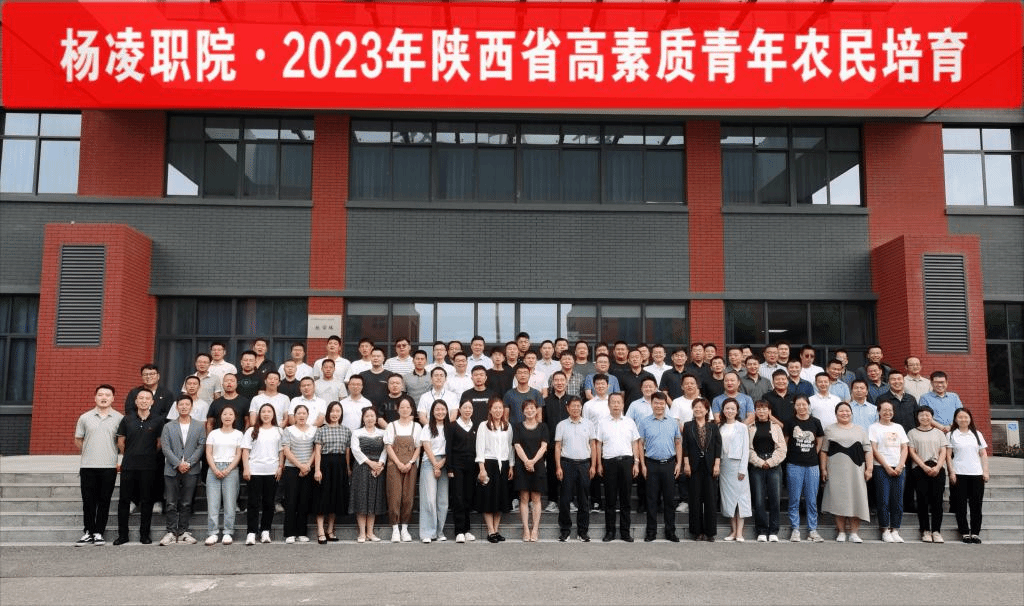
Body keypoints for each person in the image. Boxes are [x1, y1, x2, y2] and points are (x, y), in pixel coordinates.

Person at [820, 402, 872, 543]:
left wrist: (869, 469)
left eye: (847, 411)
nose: (844, 413)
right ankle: (841, 532)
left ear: (851, 413)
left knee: (856, 499)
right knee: (838, 500)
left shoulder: (860, 430)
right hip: (835, 470)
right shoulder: (829, 429)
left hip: (856, 470)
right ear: (836, 414)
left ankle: (854, 533)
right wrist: (823, 469)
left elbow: (868, 450)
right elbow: (824, 451)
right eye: (841, 411)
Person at [114, 389, 161, 546]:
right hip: (129, 465)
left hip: (149, 466)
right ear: (136, 401)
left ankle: (144, 534)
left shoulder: (158, 420)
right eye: (141, 398)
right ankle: (123, 535)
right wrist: (130, 454)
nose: (144, 401)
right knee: (124, 501)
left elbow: (159, 443)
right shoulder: (127, 419)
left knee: (147, 501)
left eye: (147, 398)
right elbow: (121, 442)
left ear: (152, 402)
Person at [159, 395, 206, 546]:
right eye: (181, 404)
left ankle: (183, 531)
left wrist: (189, 463)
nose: (184, 407)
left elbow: (201, 446)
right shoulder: (168, 426)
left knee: (186, 503)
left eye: (187, 404)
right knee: (171, 503)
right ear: (176, 407)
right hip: (172, 469)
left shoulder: (199, 426)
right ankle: (171, 532)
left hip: (191, 470)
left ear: (191, 407)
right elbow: (165, 447)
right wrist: (178, 463)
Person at [637, 392, 682, 542]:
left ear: (665, 405)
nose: (659, 406)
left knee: (669, 500)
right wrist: (642, 464)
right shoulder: (644, 422)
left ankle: (671, 532)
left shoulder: (673, 422)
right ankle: (651, 532)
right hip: (651, 464)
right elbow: (640, 444)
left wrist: (679, 463)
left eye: (662, 403)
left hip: (669, 464)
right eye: (656, 403)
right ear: (652, 404)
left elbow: (678, 443)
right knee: (651, 500)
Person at [596, 392, 640, 542]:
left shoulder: (630, 422)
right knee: (610, 499)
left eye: (618, 402)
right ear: (608, 405)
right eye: (613, 402)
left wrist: (636, 463)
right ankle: (610, 532)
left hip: (627, 462)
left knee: (625, 499)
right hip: (609, 463)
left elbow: (635, 443)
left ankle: (625, 532)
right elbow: (598, 444)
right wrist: (599, 464)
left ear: (623, 405)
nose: (616, 405)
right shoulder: (602, 422)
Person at [554, 396, 596, 542]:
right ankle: (565, 530)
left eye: (578, 406)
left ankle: (582, 531)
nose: (576, 408)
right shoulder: (561, 425)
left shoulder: (589, 424)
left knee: (584, 500)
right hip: (567, 464)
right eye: (573, 406)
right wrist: (558, 467)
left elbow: (593, 445)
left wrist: (593, 465)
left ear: (581, 407)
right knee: (565, 499)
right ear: (567, 408)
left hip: (584, 465)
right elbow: (558, 447)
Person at [242, 403, 284, 545]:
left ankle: (265, 530)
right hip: (254, 471)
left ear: (273, 414)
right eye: (263, 411)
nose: (266, 414)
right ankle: (251, 532)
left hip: (272, 471)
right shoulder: (251, 430)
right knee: (253, 503)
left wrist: (280, 467)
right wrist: (246, 468)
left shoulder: (279, 431)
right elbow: (245, 450)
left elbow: (281, 451)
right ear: (259, 414)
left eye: (269, 411)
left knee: (269, 503)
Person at [784, 395, 825, 542]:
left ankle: (812, 530)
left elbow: (820, 439)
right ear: (794, 407)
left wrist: (814, 452)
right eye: (798, 405)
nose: (801, 407)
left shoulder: (815, 422)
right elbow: (785, 442)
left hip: (812, 465)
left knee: (811, 499)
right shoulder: (790, 422)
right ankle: (795, 529)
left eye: (804, 404)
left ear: (808, 405)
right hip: (794, 464)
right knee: (794, 498)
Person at [869, 401, 909, 543]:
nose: (887, 413)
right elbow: (874, 449)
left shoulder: (898, 427)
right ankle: (885, 530)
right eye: (884, 410)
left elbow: (905, 448)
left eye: (890, 410)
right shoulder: (874, 428)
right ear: (879, 412)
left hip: (899, 468)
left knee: (897, 500)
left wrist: (900, 465)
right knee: (883, 500)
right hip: (881, 467)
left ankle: (895, 529)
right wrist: (886, 466)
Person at [947, 408, 989, 544]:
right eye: (960, 417)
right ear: (955, 419)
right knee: (960, 505)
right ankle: (964, 532)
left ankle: (975, 533)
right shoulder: (951, 435)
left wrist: (985, 471)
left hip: (976, 474)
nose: (963, 419)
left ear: (970, 419)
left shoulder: (977, 434)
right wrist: (951, 472)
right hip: (959, 473)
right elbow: (948, 456)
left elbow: (983, 454)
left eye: (966, 417)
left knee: (976, 505)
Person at [907, 405, 949, 543]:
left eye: (927, 415)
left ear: (932, 417)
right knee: (922, 501)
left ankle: (936, 531)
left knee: (937, 501)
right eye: (922, 415)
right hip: (919, 469)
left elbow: (943, 451)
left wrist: (938, 467)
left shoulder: (939, 433)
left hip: (937, 468)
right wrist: (924, 467)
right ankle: (925, 530)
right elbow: (912, 452)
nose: (925, 417)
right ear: (917, 417)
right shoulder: (912, 433)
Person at [476, 397, 515, 543]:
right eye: (495, 408)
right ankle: (490, 531)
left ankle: (496, 530)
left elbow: (510, 447)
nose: (498, 410)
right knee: (488, 498)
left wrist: (511, 465)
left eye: (500, 408)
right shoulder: (483, 426)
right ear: (490, 410)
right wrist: (482, 468)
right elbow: (479, 447)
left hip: (503, 465)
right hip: (489, 464)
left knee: (501, 499)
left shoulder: (508, 426)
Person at [681, 398, 721, 542]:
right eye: (695, 407)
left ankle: (710, 533)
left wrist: (717, 465)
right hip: (694, 466)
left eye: (701, 407)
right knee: (695, 499)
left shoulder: (713, 426)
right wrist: (686, 464)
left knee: (710, 499)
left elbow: (718, 446)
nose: (698, 409)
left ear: (706, 410)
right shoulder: (688, 426)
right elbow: (685, 446)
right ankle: (696, 532)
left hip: (710, 466)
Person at [748, 399, 786, 542]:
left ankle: (774, 531)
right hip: (756, 465)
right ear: (755, 411)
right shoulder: (750, 427)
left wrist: (770, 462)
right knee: (759, 500)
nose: (761, 411)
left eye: (764, 409)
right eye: (758, 409)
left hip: (774, 465)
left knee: (775, 499)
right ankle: (762, 531)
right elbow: (748, 448)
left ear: (769, 411)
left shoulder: (776, 427)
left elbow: (782, 448)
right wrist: (759, 462)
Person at [313, 402, 351, 544]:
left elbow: (347, 452)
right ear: (328, 413)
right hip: (325, 464)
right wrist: (317, 469)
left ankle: (330, 530)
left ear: (341, 413)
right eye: (332, 411)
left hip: (340, 465)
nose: (335, 414)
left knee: (335, 497)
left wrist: (348, 468)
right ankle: (320, 531)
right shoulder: (321, 430)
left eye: (338, 411)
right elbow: (317, 452)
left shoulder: (346, 430)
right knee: (322, 497)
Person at [203, 406, 243, 545]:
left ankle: (228, 532)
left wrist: (228, 469)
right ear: (221, 417)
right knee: (212, 504)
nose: (227, 416)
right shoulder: (213, 434)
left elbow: (238, 454)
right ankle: (213, 533)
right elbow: (208, 452)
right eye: (225, 414)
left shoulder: (239, 434)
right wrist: (214, 469)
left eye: (230, 414)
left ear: (234, 417)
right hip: (213, 468)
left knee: (230, 503)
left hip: (231, 469)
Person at [384, 396, 421, 543]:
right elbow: (388, 446)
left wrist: (411, 462)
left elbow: (418, 447)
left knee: (408, 497)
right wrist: (398, 463)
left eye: (408, 407)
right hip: (394, 464)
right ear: (397, 409)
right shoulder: (391, 426)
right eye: (402, 407)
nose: (405, 410)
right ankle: (395, 529)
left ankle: (405, 528)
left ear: (411, 409)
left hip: (411, 465)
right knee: (394, 496)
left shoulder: (416, 427)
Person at [513, 399, 548, 542]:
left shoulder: (543, 427)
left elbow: (544, 446)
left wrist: (532, 461)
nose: (530, 410)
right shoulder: (517, 426)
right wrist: (527, 461)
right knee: (524, 498)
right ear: (523, 411)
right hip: (522, 465)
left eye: (532, 408)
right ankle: (526, 529)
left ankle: (535, 529)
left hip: (537, 466)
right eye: (527, 408)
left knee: (536, 498)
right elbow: (517, 445)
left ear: (536, 410)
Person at [350, 406, 388, 543]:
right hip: (362, 468)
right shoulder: (357, 433)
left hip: (378, 469)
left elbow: (386, 450)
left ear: (376, 418)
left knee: (373, 499)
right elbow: (355, 450)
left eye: (372, 415)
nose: (370, 418)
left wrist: (380, 465)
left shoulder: (383, 432)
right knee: (361, 499)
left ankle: (370, 533)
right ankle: (362, 533)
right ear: (363, 418)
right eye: (367, 416)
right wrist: (370, 463)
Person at [282, 404, 317, 543]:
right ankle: (290, 533)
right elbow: (286, 450)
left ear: (308, 415)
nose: (301, 416)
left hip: (308, 469)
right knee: (291, 501)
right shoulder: (288, 430)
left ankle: (302, 532)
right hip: (292, 469)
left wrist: (307, 465)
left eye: (304, 413)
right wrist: (300, 465)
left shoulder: (314, 430)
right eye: (299, 413)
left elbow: (316, 450)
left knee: (304, 501)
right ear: (294, 416)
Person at [718, 398, 752, 541]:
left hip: (738, 465)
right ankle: (733, 531)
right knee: (728, 499)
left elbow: (746, 449)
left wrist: (743, 469)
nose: (730, 411)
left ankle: (739, 532)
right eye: (727, 408)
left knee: (741, 499)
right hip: (724, 466)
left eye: (733, 408)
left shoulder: (742, 427)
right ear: (723, 410)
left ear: (737, 411)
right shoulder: (720, 427)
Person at [446, 400, 478, 543]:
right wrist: (449, 468)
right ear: (459, 410)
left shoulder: (475, 426)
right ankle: (459, 531)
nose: (468, 410)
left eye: (470, 408)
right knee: (458, 497)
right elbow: (448, 448)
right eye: (465, 407)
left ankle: (467, 530)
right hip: (456, 466)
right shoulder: (452, 426)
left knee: (468, 497)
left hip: (471, 466)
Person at [419, 400, 450, 543]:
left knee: (443, 501)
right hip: (429, 462)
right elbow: (426, 446)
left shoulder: (450, 428)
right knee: (429, 499)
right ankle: (427, 533)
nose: (440, 412)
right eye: (437, 409)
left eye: (443, 409)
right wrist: (435, 465)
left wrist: (442, 463)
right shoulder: (427, 427)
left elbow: (452, 448)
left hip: (445, 462)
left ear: (447, 411)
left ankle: (439, 532)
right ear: (432, 411)